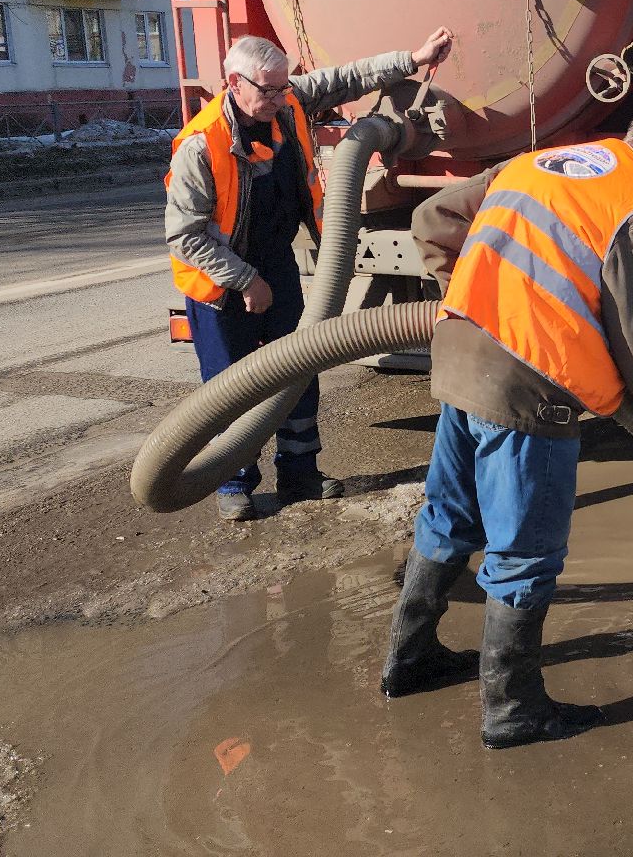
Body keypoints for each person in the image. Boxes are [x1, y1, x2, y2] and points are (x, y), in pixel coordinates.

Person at [381, 117, 633, 749]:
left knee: (448, 516)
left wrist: (472, 298)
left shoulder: (539, 164)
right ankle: (512, 710)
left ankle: (410, 660)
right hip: (528, 386)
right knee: (525, 550)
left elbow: (430, 220)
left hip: (460, 355)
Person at [165, 30, 454, 522]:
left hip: (274, 263)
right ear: (235, 84)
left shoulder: (285, 101)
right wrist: (244, 281)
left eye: (284, 89)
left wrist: (412, 59)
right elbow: (185, 237)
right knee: (229, 387)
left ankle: (300, 474)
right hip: (218, 283)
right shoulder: (200, 145)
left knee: (299, 372)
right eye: (269, 91)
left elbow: (348, 78)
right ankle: (234, 482)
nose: (281, 99)